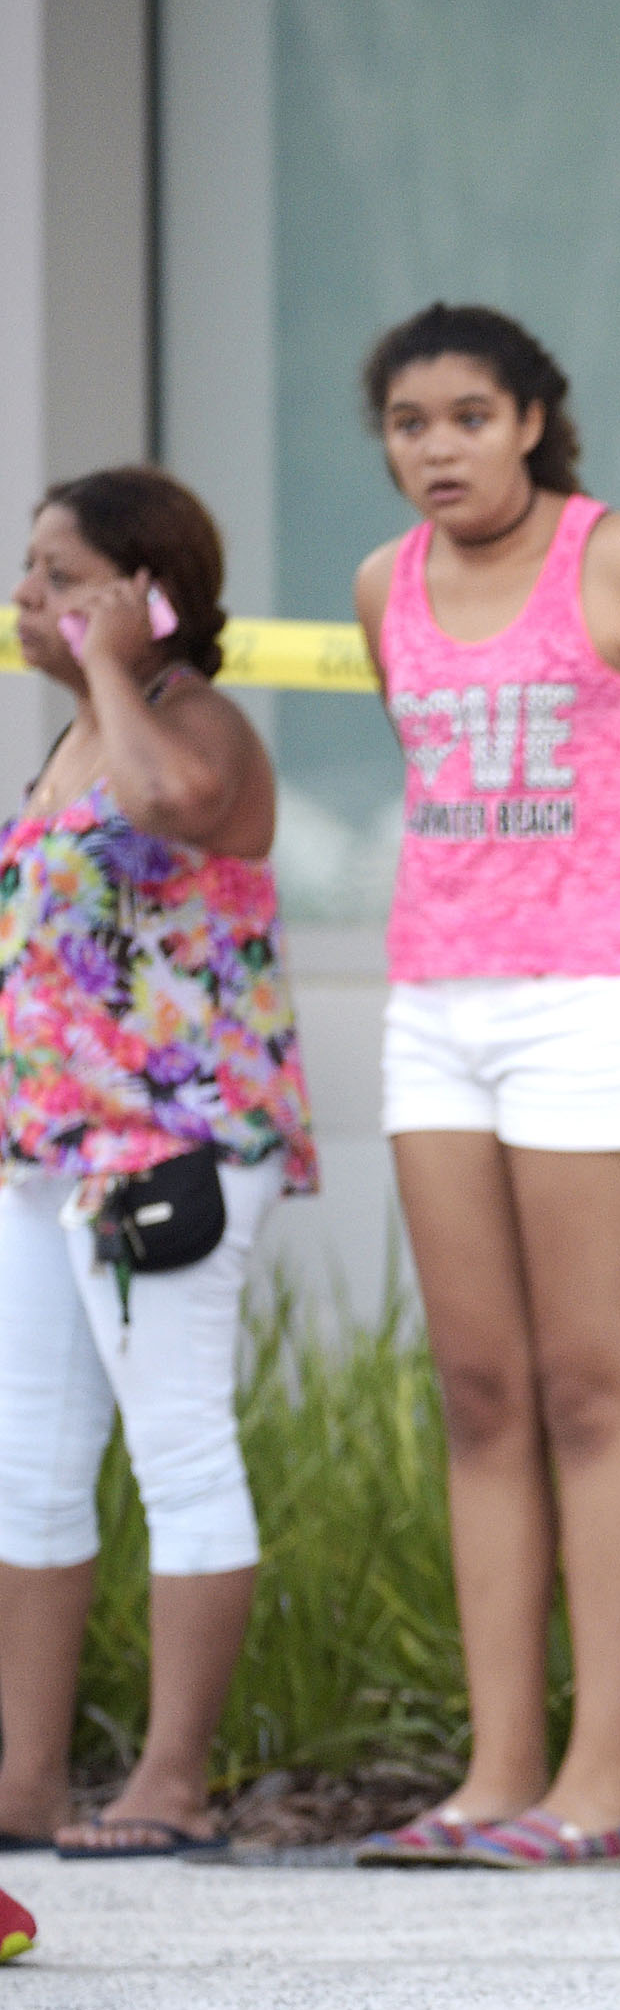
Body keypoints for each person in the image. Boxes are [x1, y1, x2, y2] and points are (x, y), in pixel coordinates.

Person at [351, 303, 620, 1869]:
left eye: (469, 415)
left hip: (602, 1010)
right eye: (409, 423)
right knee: (479, 1393)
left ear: (532, 419)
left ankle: (601, 1789)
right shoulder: (383, 585)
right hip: (436, 1008)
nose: (438, 447)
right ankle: (494, 1775)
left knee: (592, 1387)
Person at [0, 468, 317, 1859]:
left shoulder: (197, 729)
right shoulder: (73, 739)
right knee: (31, 1467)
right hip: (48, 1154)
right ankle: (26, 1780)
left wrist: (115, 668)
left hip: (170, 1156)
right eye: (31, 573)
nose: (30, 598)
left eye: (64, 576)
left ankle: (172, 1779)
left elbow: (176, 805)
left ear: (148, 594)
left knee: (179, 1451)